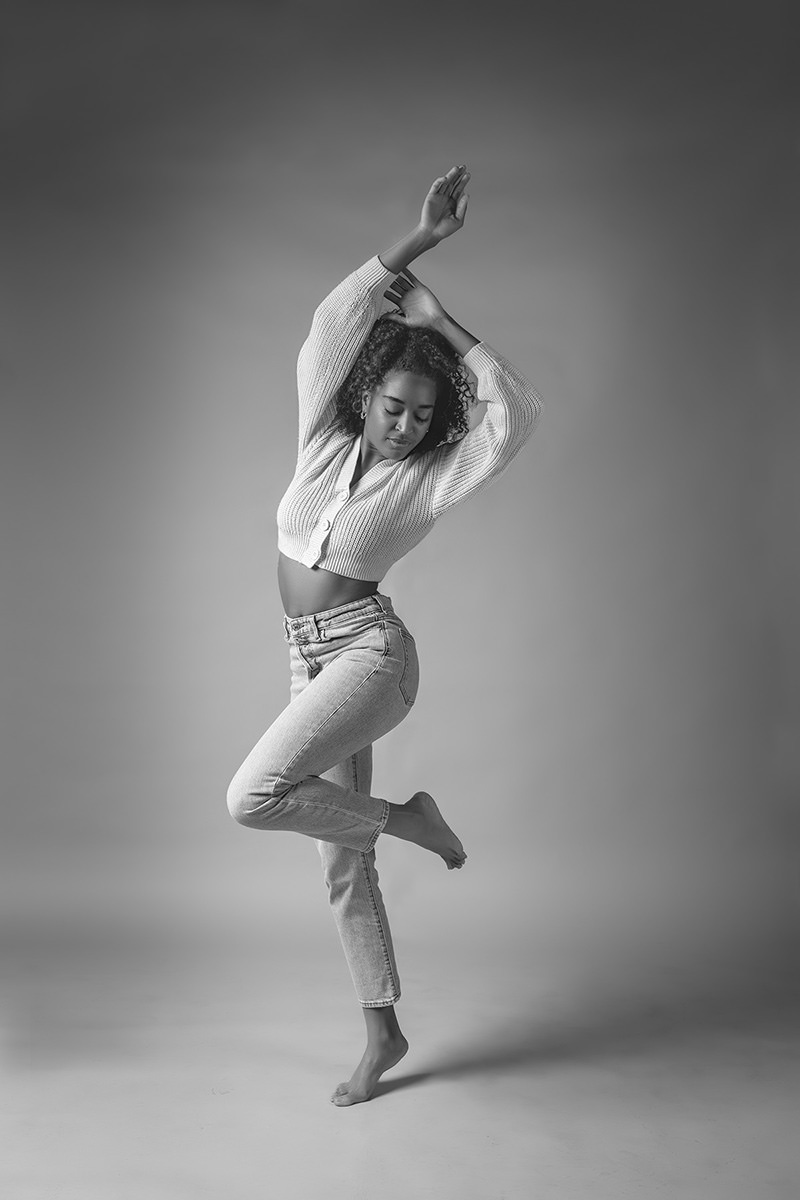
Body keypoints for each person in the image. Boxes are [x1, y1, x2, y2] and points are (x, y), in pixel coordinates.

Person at [226, 164, 542, 1106]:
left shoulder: (433, 475)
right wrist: (419, 242)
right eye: (391, 406)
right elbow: (332, 326)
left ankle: (411, 821)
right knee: (337, 858)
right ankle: (384, 1034)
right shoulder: (321, 441)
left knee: (254, 795)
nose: (405, 425)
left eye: (421, 414)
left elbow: (516, 413)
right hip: (308, 653)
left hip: (372, 654)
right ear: (364, 398)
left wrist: (446, 327)